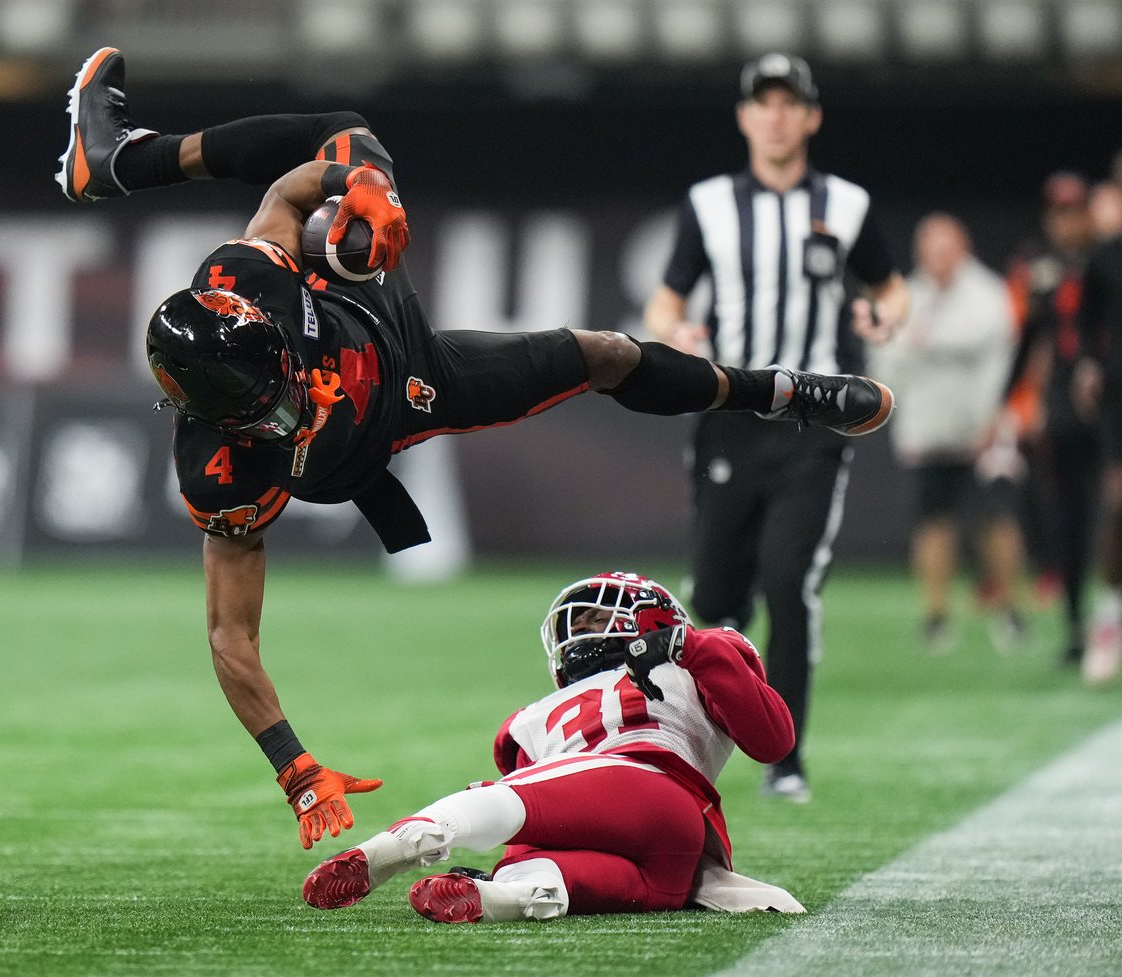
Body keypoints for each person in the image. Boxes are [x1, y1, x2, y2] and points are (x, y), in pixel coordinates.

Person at [56, 48, 895, 849]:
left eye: (280, 381)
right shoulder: (221, 472)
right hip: (400, 408)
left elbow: (285, 188)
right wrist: (296, 768)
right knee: (594, 354)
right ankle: (122, 161)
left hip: (371, 319)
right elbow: (230, 637)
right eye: (264, 410)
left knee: (355, 147)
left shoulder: (251, 277)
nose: (288, 406)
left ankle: (780, 393)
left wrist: (362, 183)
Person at [642, 54, 909, 803]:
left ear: (812, 116)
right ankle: (707, 736)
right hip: (730, 412)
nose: (778, 115)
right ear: (745, 116)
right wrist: (678, 331)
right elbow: (666, 300)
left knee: (791, 582)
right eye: (765, 103)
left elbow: (892, 286)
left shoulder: (847, 205)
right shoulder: (711, 205)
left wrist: (884, 313)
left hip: (814, 419)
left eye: (791, 103)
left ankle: (785, 754)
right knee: (719, 593)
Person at [300, 571, 804, 923]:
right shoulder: (533, 716)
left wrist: (690, 646)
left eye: (594, 618)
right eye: (576, 622)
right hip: (671, 858)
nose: (580, 631)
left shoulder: (693, 660)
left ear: (654, 622)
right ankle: (506, 898)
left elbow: (774, 739)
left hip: (647, 785)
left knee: (501, 797)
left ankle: (391, 848)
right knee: (526, 863)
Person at [871, 214, 1025, 651]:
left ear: (963, 248)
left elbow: (984, 340)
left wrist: (925, 339)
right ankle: (936, 615)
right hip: (927, 429)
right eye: (930, 249)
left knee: (996, 518)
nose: (937, 259)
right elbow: (888, 356)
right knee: (933, 522)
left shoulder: (987, 292)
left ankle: (1009, 610)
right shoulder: (908, 294)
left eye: (945, 248)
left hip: (984, 428)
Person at [1002, 173, 1102, 668]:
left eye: (1074, 211)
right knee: (1069, 519)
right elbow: (1029, 340)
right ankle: (1077, 624)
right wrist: (1008, 401)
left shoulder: (1105, 259)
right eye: (1057, 213)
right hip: (1064, 409)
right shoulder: (1038, 267)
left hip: (1111, 403)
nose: (1066, 223)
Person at [1075, 182, 1122, 687]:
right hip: (1120, 393)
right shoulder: (1107, 255)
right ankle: (1110, 619)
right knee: (1119, 505)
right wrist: (1090, 363)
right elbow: (1087, 321)